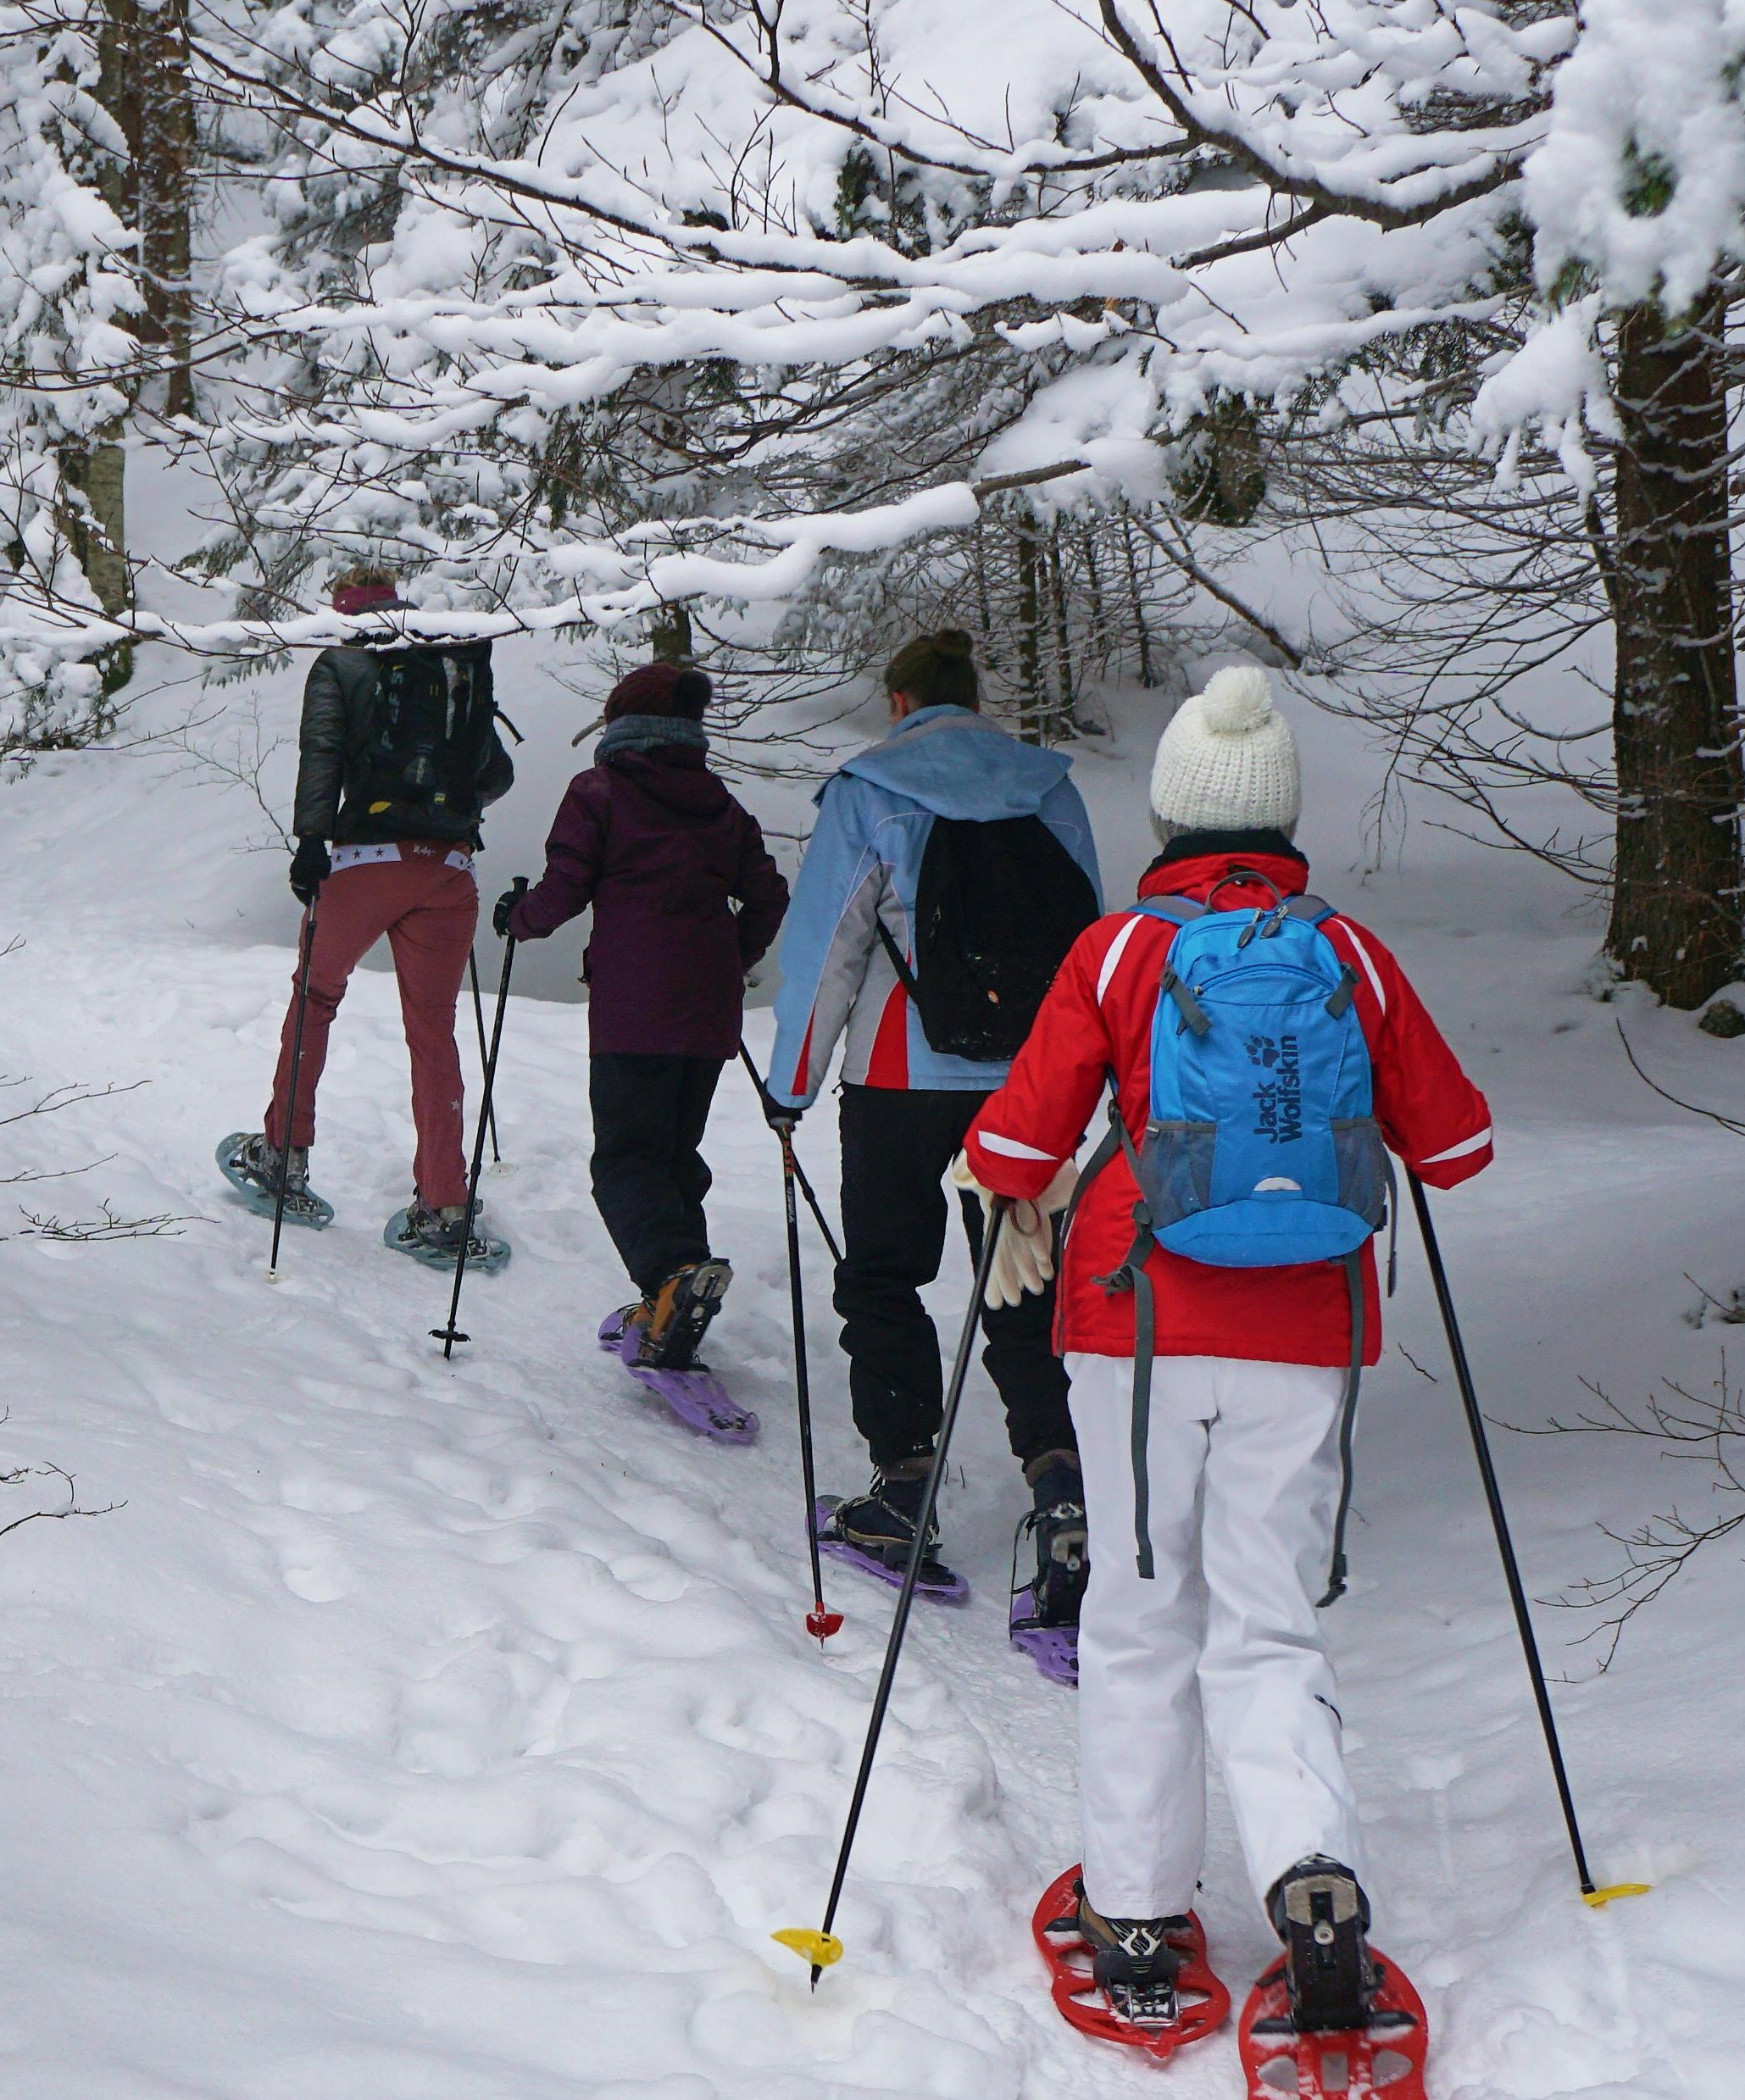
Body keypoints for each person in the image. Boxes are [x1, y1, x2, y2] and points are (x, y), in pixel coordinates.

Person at [958, 664, 1493, 2033]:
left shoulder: (1125, 951)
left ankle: (1134, 1907)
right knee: (1266, 1621)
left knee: (1141, 1619)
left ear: (1173, 810)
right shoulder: (1349, 953)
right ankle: (1313, 1874)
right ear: (1281, 817)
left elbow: (1015, 1141)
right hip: (1303, 1331)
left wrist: (1012, 1172)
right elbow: (1460, 1143)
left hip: (1132, 1327)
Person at [763, 628, 1100, 1615]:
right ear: (972, 697)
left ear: (901, 703)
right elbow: (1090, 944)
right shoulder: (1049, 789)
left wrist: (790, 1086)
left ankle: (903, 1490)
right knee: (1023, 1281)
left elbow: (827, 950)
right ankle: (1061, 1494)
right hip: (1027, 1092)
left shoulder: (869, 790)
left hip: (896, 1080)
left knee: (881, 1275)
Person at [219, 569, 515, 1268]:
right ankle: (444, 1204)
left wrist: (311, 841)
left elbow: (321, 751)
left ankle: (282, 1158)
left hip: (361, 863)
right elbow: (495, 773)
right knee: (432, 1033)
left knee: (316, 998)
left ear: (342, 612)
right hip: (449, 869)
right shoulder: (449, 660)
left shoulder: (342, 661)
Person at [501, 659, 788, 1364]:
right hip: (708, 1009)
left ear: (620, 724)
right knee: (672, 1153)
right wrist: (734, 956)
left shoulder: (599, 791)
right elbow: (769, 895)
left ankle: (671, 1278)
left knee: (626, 1157)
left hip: (635, 1005)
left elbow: (566, 886)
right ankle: (680, 1291)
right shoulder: (720, 803)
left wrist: (520, 920)